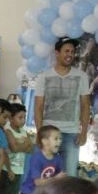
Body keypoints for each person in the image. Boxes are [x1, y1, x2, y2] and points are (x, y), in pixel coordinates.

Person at [34, 37, 90, 178]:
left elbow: (85, 106)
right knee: (43, 175)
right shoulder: (44, 77)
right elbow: (38, 107)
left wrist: (83, 133)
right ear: (57, 53)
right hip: (48, 134)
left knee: (69, 177)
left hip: (71, 135)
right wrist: (40, 133)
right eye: (66, 51)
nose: (70, 54)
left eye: (72, 51)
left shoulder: (82, 76)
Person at [0, 103, 31, 194]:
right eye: (20, 117)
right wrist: (23, 145)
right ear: (11, 118)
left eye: (24, 117)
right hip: (6, 170)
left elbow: (30, 148)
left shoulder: (24, 132)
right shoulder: (8, 131)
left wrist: (21, 145)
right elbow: (13, 149)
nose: (23, 120)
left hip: (19, 170)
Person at [18, 125, 64, 194]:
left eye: (60, 139)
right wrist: (56, 179)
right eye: (56, 139)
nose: (59, 142)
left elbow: (59, 176)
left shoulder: (58, 159)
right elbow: (37, 182)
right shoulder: (37, 158)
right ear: (45, 141)